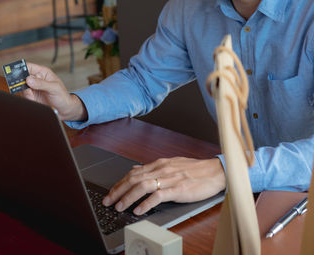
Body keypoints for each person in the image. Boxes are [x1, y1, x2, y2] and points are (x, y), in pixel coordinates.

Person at [23, 0, 314, 216]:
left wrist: (228, 171)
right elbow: (144, 79)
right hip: (244, 201)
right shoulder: (189, 7)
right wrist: (73, 106)